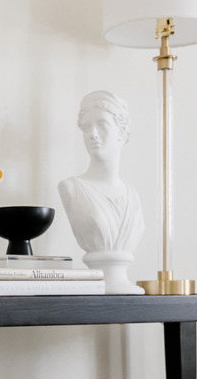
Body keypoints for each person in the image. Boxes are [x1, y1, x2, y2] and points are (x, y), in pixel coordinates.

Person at [58, 90, 144, 258]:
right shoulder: (71, 188)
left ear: (121, 132)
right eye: (86, 128)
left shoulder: (132, 194)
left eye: (102, 125)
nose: (93, 134)